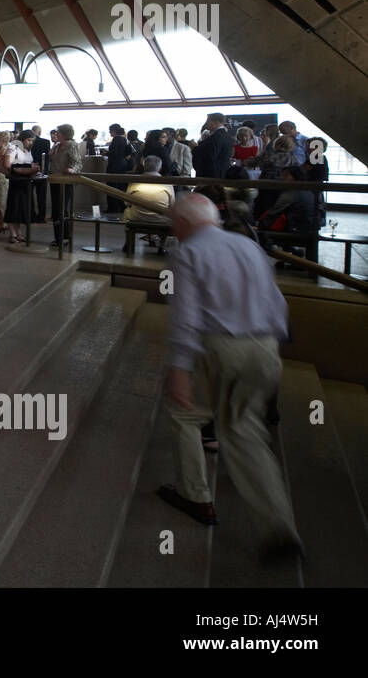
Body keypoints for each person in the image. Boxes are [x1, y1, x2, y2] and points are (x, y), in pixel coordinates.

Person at [157, 193, 302, 562]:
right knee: (245, 432)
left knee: (185, 413)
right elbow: (277, 302)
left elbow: (186, 318)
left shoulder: (186, 253)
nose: (172, 227)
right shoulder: (247, 246)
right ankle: (278, 527)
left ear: (185, 223)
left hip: (222, 349)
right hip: (265, 346)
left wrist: (179, 370)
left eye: (174, 222)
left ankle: (196, 495)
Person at [50, 124, 84, 248]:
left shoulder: (71, 145)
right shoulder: (58, 145)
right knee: (56, 209)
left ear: (64, 134)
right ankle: (59, 237)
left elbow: (77, 163)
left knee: (62, 208)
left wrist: (71, 170)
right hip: (55, 180)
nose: (55, 134)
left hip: (65, 181)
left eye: (57, 132)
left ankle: (64, 237)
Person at [4, 129, 38, 244]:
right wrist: (19, 170)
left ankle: (18, 232)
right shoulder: (13, 147)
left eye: (32, 140)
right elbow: (7, 164)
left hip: (26, 182)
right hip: (16, 181)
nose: (31, 142)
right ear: (22, 139)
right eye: (29, 140)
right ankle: (12, 233)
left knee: (21, 208)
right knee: (14, 207)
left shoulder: (27, 150)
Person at [192, 112, 234, 180]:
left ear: (216, 122)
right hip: (220, 172)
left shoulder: (217, 137)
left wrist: (195, 148)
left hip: (211, 175)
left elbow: (210, 155)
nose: (206, 124)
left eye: (208, 121)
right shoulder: (225, 135)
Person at [105, 124, 132, 214]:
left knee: (112, 186)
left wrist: (106, 153)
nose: (110, 133)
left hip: (115, 166)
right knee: (120, 186)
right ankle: (121, 207)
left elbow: (114, 153)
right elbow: (129, 152)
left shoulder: (116, 139)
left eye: (110, 131)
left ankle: (112, 208)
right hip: (122, 165)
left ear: (114, 131)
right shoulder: (125, 139)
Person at [30, 125, 50, 223]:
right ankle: (41, 217)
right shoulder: (45, 142)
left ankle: (32, 215)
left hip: (29, 171)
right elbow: (47, 158)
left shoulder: (28, 141)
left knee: (30, 194)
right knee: (41, 196)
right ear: (40, 132)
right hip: (42, 172)